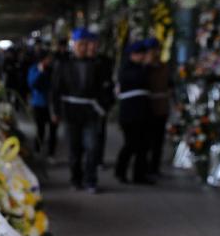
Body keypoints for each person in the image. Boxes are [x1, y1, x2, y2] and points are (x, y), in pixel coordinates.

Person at [51, 28, 105, 192]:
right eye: (79, 44)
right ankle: (75, 179)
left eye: (85, 44)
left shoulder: (97, 65)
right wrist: (55, 112)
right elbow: (55, 89)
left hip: (90, 111)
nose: (83, 48)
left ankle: (91, 180)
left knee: (92, 146)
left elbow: (104, 88)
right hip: (71, 112)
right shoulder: (63, 65)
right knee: (74, 148)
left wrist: (103, 106)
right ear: (73, 45)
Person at [115, 40, 153, 184]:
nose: (143, 57)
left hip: (143, 113)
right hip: (130, 114)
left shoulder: (143, 68)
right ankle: (120, 171)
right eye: (140, 54)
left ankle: (139, 175)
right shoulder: (126, 69)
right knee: (131, 144)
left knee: (143, 146)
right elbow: (136, 79)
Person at [86, 32, 115, 167]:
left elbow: (109, 83)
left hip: (100, 104)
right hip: (83, 105)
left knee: (99, 133)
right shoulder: (79, 61)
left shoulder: (105, 61)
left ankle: (98, 159)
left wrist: (108, 102)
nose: (93, 46)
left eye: (95, 43)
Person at [145, 37, 170, 176]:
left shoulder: (164, 66)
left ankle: (154, 167)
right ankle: (145, 167)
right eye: (152, 51)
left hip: (161, 108)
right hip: (147, 109)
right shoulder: (143, 67)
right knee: (146, 141)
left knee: (158, 141)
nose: (155, 53)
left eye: (156, 50)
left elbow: (169, 84)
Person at [28, 49, 57, 157]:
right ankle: (37, 149)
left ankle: (51, 153)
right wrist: (40, 72)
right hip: (39, 104)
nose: (49, 60)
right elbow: (32, 84)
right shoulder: (34, 69)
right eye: (48, 58)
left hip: (52, 104)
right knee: (40, 129)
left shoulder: (53, 69)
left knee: (53, 130)